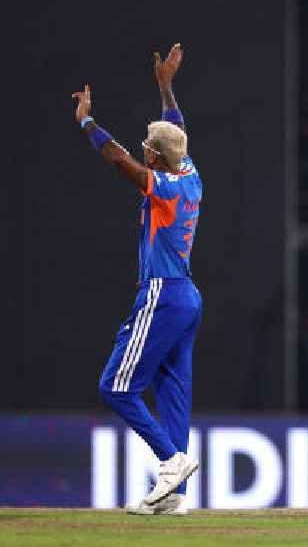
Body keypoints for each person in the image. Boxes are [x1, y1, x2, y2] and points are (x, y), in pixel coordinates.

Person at [71, 44, 202, 515]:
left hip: (163, 293)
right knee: (172, 394)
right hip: (187, 297)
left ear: (154, 157)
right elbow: (175, 126)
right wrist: (165, 86)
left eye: (148, 145)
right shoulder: (189, 173)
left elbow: (118, 159)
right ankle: (176, 498)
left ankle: (170, 462)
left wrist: (87, 122)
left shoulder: (163, 186)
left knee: (116, 387)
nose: (143, 146)